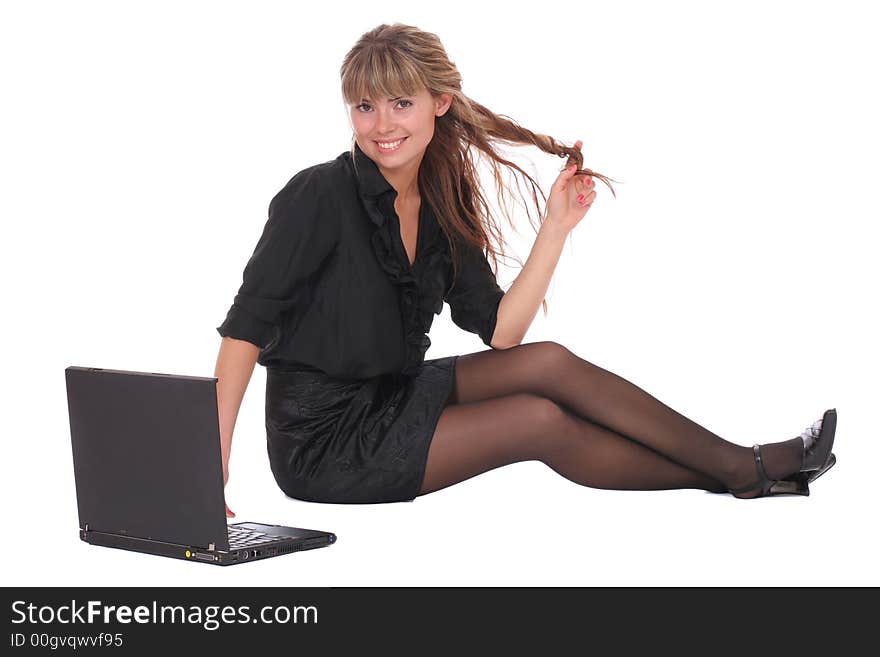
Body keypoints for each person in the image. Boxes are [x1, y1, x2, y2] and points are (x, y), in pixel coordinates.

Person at [214, 23, 837, 516]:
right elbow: (245, 327)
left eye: (400, 103)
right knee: (536, 420)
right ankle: (742, 470)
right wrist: (210, 461)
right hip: (324, 442)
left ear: (440, 101)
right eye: (365, 106)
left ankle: (741, 469)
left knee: (548, 362)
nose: (381, 126)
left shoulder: (440, 203)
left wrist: (555, 228)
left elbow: (502, 334)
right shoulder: (318, 195)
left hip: (392, 395)